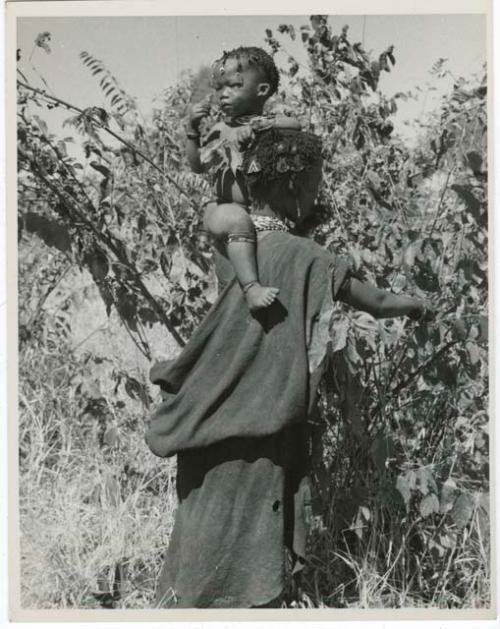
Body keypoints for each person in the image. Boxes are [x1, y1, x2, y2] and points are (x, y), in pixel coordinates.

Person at [146, 128, 432, 608]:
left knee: (200, 535)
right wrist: (418, 306)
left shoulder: (233, 249)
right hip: (263, 421)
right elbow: (379, 303)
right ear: (298, 189)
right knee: (251, 552)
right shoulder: (312, 258)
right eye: (317, 184)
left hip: (207, 411)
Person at [186, 46, 301, 311]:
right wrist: (192, 130)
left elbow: (295, 125)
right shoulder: (219, 129)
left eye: (234, 86)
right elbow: (197, 166)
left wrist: (257, 127)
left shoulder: (266, 123)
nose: (223, 94)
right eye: (220, 88)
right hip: (222, 210)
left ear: (261, 91)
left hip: (255, 214)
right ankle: (251, 289)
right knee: (238, 222)